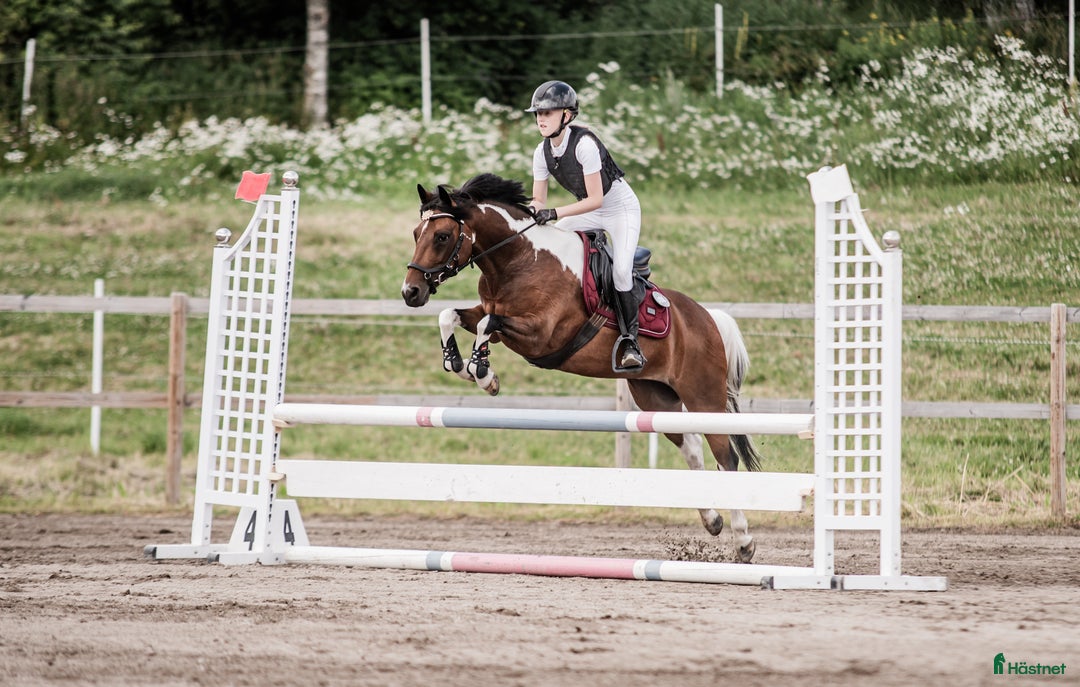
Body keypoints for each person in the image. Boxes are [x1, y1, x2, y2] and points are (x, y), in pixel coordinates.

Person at [524, 80, 646, 373]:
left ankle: (631, 341)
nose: (541, 119)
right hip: (590, 211)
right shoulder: (541, 153)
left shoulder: (585, 145)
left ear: (566, 115)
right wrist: (525, 215)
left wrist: (554, 212)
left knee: (620, 271)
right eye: (538, 114)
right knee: (553, 240)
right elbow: (538, 200)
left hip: (619, 211)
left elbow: (595, 199)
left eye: (548, 113)